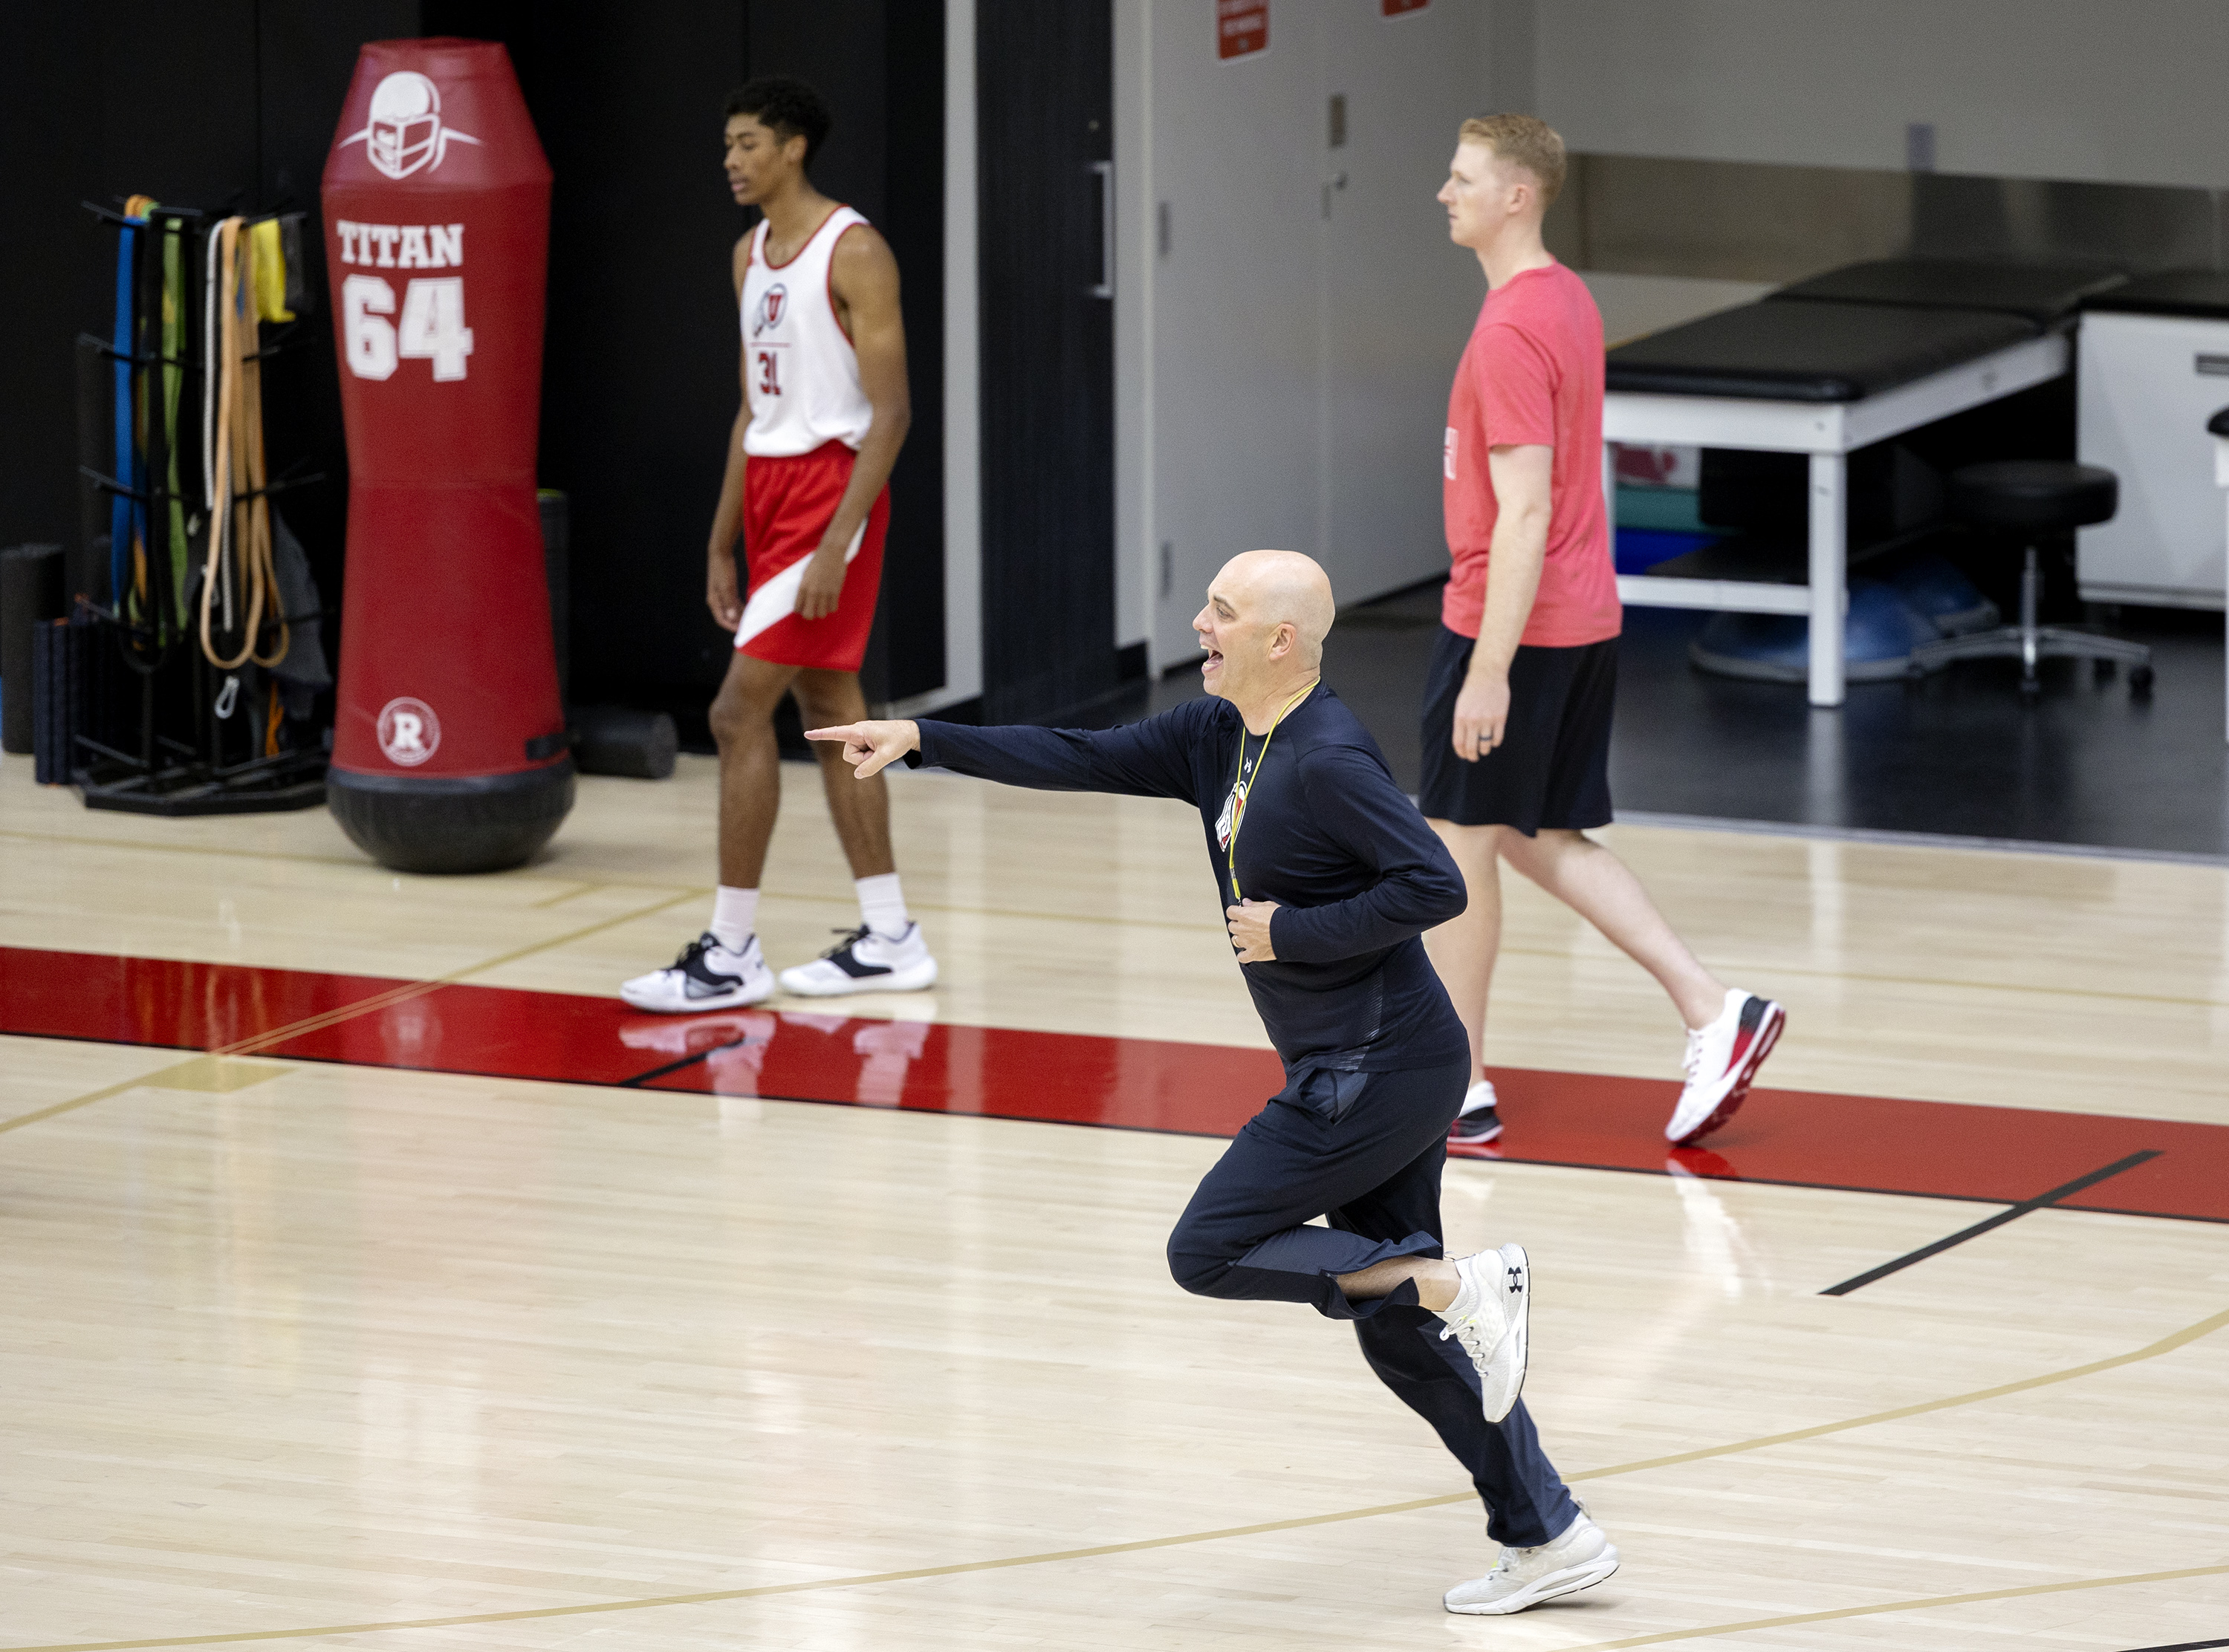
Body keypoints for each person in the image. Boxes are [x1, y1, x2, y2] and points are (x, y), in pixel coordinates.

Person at [809, 550, 1622, 1617]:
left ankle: (1458, 1285)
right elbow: (1079, 753)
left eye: (1222, 613)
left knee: (1211, 1249)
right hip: (1373, 1061)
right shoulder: (1217, 736)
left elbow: (1432, 883)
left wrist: (1294, 931)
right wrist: (923, 741)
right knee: (1391, 1324)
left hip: (1374, 1067)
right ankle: (1546, 1528)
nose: (1200, 623)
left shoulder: (1326, 756)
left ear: (1279, 641)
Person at [1423, 115, 1784, 1156]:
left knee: (1455, 848)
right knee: (1535, 837)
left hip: (1516, 627)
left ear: (1517, 196)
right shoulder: (1565, 298)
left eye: (1462, 179)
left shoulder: (1506, 333)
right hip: (1577, 617)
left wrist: (1487, 671)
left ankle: (1461, 1085)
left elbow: (1525, 512)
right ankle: (1714, 1009)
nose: (1444, 193)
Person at [623, 77, 936, 1015]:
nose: (731, 159)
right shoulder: (746, 255)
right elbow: (752, 412)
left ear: (794, 148)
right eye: (726, 144)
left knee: (732, 713)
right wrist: (723, 540)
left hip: (834, 495)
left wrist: (838, 543)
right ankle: (889, 935)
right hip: (768, 493)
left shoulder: (858, 250)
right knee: (834, 705)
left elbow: (893, 415)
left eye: (748, 142)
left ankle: (731, 949)